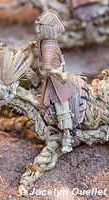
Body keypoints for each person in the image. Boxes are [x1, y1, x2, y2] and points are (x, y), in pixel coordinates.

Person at [34, 10, 75, 153]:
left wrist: (56, 72)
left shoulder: (49, 46)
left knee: (61, 105)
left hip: (56, 78)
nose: (37, 29)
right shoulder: (44, 42)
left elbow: (48, 67)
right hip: (53, 75)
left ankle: (67, 137)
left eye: (40, 27)